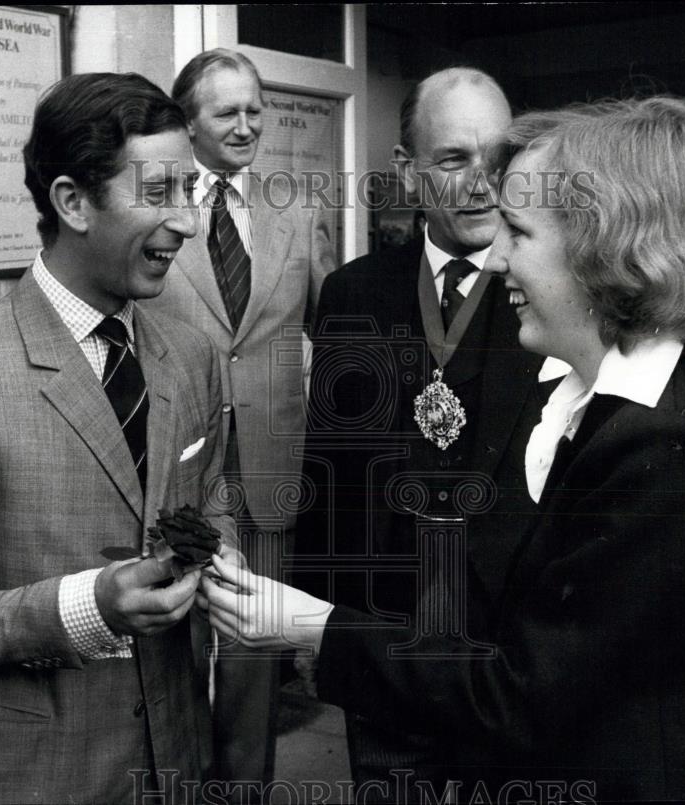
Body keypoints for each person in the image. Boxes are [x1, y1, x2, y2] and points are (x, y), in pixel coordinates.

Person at [204, 98, 685, 801]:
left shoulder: (669, 437)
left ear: (607, 249)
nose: (501, 258)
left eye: (519, 231)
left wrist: (310, 625)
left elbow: (525, 692)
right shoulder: (610, 405)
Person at [0, 72, 237, 803]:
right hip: (33, 777)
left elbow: (207, 500)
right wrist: (93, 604)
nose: (189, 224)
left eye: (188, 192)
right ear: (73, 201)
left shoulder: (192, 356)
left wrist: (217, 562)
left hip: (176, 763)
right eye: (159, 192)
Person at [293, 66, 544, 799]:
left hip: (507, 652)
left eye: (496, 158)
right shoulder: (354, 292)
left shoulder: (558, 290)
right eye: (452, 159)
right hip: (385, 633)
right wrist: (320, 623)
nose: (481, 184)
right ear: (406, 171)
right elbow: (329, 474)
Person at [142, 48, 335, 792]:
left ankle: (245, 790)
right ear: (188, 122)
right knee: (178, 647)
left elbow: (330, 320)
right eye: (228, 111)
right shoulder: (160, 206)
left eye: (256, 109)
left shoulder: (296, 205)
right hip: (178, 469)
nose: (247, 123)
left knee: (257, 645)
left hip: (269, 467)